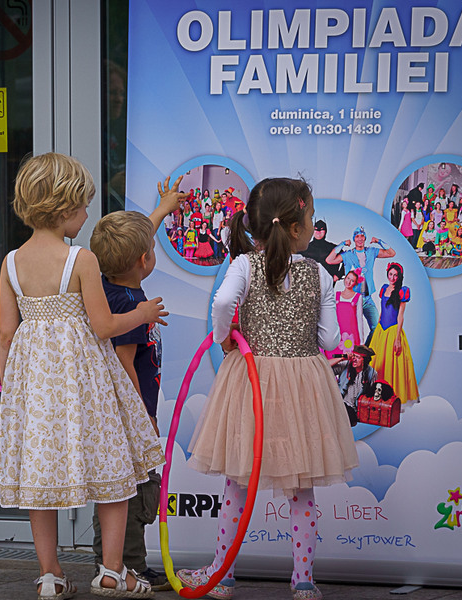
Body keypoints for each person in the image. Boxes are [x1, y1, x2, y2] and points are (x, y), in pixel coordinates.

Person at [0, 152, 167, 599]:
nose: (87, 215)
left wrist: (9, 389)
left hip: (35, 391)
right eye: (84, 206)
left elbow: (5, 333)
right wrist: (143, 313)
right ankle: (112, 571)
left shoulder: (11, 262)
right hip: (86, 386)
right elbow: (104, 326)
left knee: (40, 481)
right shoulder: (81, 259)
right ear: (64, 207)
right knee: (113, 470)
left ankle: (50, 576)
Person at [179, 177, 358, 600]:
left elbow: (222, 304)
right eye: (311, 217)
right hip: (302, 384)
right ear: (296, 227)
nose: (313, 225)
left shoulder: (244, 265)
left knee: (238, 482)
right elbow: (331, 340)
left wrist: (224, 337)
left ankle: (222, 574)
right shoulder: (319, 273)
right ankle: (303, 580)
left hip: (252, 380)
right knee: (301, 484)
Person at [88, 177, 185, 592]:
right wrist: (143, 417)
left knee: (121, 484)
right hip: (129, 416)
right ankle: (129, 567)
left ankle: (116, 562)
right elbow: (124, 363)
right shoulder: (129, 307)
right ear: (146, 260)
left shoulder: (107, 287)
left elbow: (133, 243)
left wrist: (162, 209)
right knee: (134, 488)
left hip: (116, 414)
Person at [325, 226, 395, 344]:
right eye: (357, 236)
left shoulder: (371, 252)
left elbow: (391, 253)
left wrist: (378, 241)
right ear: (354, 239)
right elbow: (329, 260)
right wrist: (342, 244)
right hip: (352, 298)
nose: (360, 239)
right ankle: (346, 351)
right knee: (348, 329)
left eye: (362, 236)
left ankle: (364, 350)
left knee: (376, 328)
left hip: (367, 299)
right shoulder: (348, 255)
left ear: (365, 238)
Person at [368, 262, 419, 407]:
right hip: (381, 330)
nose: (392, 277)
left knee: (392, 364)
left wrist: (397, 339)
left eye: (395, 275)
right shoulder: (384, 288)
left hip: (392, 331)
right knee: (377, 362)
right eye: (390, 274)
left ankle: (391, 396)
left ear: (399, 276)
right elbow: (382, 311)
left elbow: (400, 316)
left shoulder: (402, 291)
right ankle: (375, 394)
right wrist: (377, 329)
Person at [324, 269, 367, 359]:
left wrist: (362, 342)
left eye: (352, 280)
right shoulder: (336, 295)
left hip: (351, 335)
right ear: (345, 278)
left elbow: (359, 319)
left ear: (355, 283)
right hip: (337, 333)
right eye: (348, 278)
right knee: (333, 359)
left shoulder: (358, 297)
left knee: (349, 359)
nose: (349, 282)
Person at [331, 345, 378, 427]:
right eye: (353, 356)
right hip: (340, 404)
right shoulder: (346, 365)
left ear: (365, 360)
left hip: (355, 410)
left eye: (358, 357)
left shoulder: (372, 373)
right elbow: (324, 367)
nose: (354, 359)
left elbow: (371, 394)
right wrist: (342, 358)